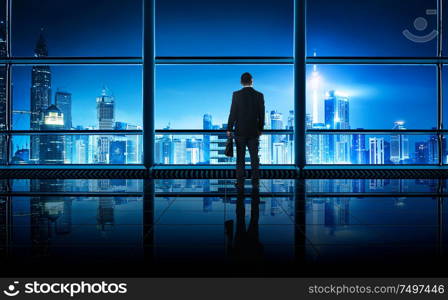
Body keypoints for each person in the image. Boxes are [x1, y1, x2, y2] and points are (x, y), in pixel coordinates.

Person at [227, 72, 265, 187]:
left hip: (240, 131)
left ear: (241, 82)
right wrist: (260, 129)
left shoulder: (236, 95)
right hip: (254, 132)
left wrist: (229, 128)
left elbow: (232, 113)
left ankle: (240, 180)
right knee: (254, 157)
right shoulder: (259, 95)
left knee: (240, 157)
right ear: (252, 81)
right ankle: (255, 180)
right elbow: (261, 114)